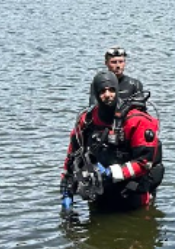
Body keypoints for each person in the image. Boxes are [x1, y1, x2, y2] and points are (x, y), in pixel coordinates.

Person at [62, 72, 164, 211]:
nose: (108, 95)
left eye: (111, 90)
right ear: (96, 94)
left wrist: (110, 173)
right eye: (102, 91)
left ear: (117, 90)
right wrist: (67, 187)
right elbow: (72, 155)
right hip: (100, 191)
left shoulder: (136, 120)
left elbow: (145, 163)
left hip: (132, 193)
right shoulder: (86, 120)